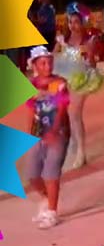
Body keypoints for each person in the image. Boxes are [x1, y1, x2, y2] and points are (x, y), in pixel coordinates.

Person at [53, 3, 104, 170]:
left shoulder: (89, 40)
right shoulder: (63, 40)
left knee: (75, 114)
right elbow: (53, 57)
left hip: (83, 79)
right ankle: (74, 144)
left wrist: (90, 54)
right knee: (65, 114)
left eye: (76, 22)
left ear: (82, 23)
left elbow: (92, 64)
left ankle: (81, 153)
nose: (72, 25)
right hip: (66, 78)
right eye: (70, 22)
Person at [25, 47, 70, 229]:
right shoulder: (31, 85)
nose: (47, 66)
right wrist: (29, 134)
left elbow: (61, 109)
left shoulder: (60, 83)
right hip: (38, 133)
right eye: (42, 63)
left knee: (51, 172)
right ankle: (46, 198)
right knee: (32, 174)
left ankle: (52, 212)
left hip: (57, 133)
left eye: (49, 62)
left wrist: (54, 131)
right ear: (34, 65)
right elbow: (30, 110)